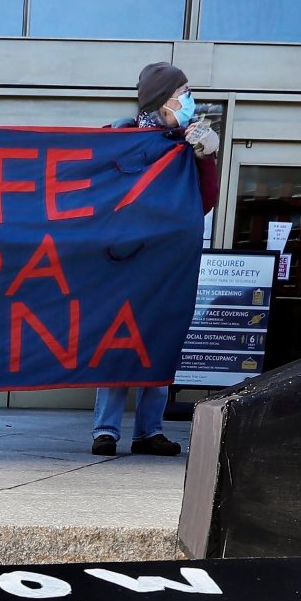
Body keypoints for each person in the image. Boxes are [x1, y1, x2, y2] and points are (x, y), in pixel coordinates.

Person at [90, 61, 221, 458]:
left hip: (166, 263)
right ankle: (106, 430)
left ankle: (149, 430)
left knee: (159, 340)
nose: (189, 99)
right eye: (184, 92)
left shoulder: (186, 144)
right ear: (163, 97)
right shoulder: (119, 138)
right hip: (123, 261)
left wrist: (205, 159)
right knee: (119, 339)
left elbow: (203, 203)